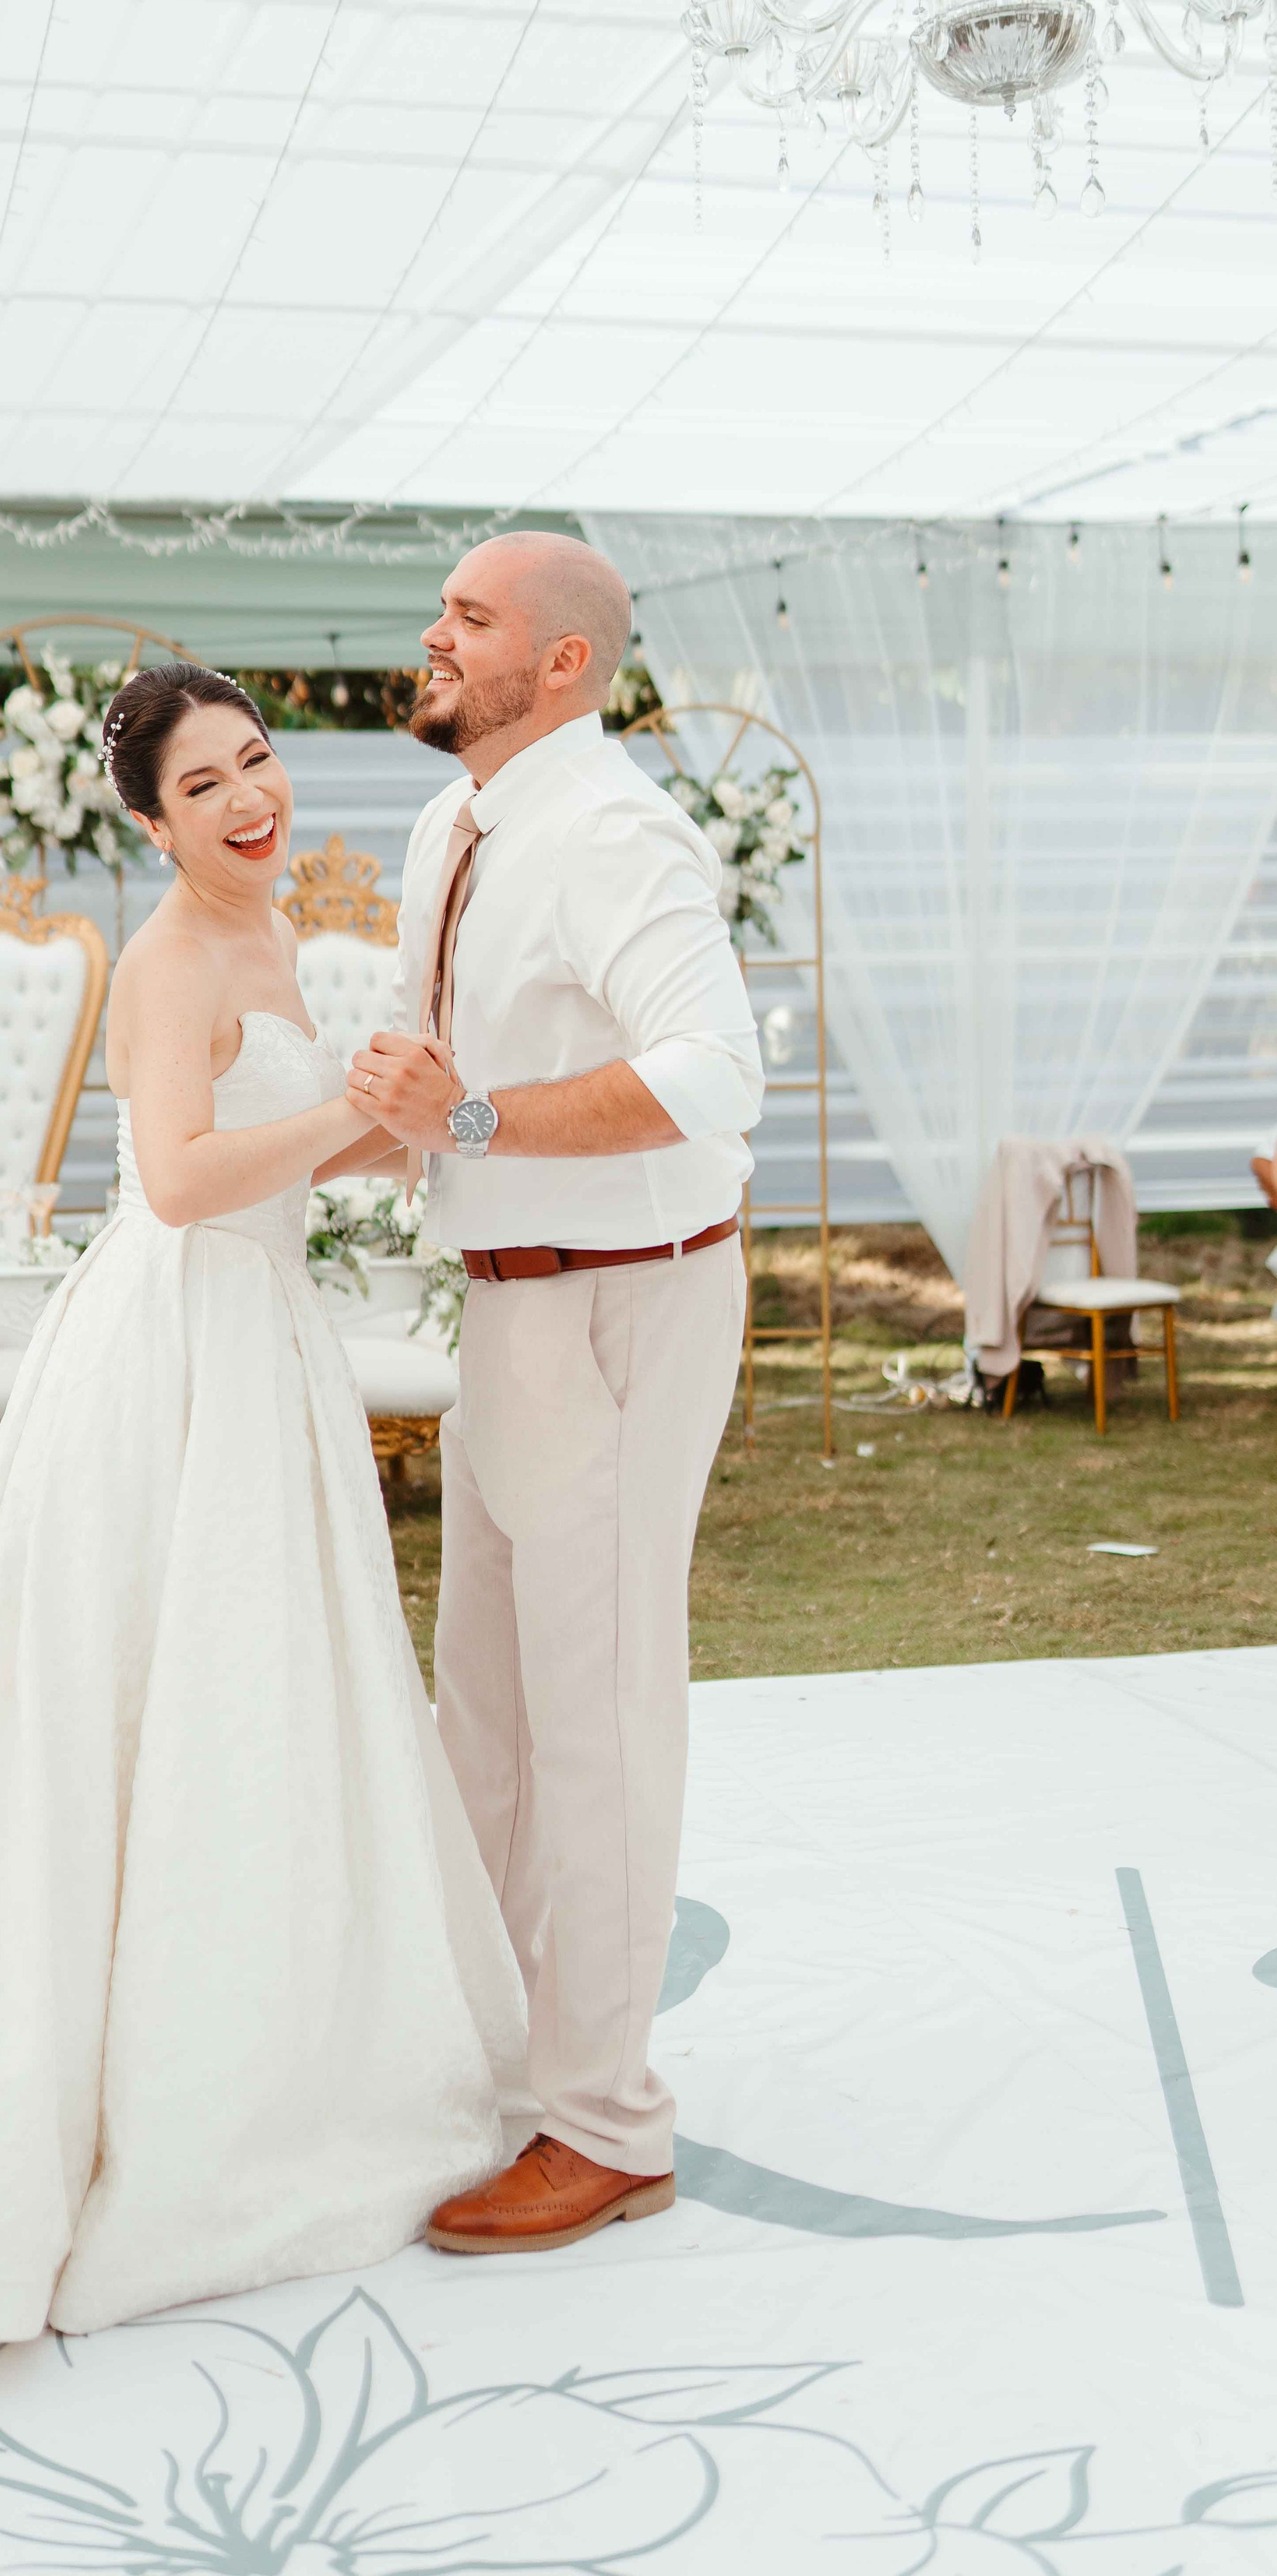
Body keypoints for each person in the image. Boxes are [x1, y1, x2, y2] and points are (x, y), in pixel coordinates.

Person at [0, 664, 527, 2341]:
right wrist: (347, 1111)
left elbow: (312, 1156)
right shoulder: (170, 960)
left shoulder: (277, 943)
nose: (253, 799)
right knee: (158, 1705)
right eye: (207, 788)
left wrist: (403, 1124)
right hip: (177, 1347)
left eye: (258, 763)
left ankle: (297, 2060)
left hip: (269, 1343)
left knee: (274, 1706)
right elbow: (177, 1177)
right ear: (149, 820)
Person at [348, 532, 762, 2254]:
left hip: (623, 1310)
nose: (433, 636)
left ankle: (606, 2128)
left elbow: (712, 1077)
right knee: (490, 1723)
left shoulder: (614, 832)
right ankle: (509, 2066)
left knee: (590, 1722)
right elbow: (408, 1063)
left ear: (563, 667)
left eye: (470, 617)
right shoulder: (453, 824)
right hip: (510, 1315)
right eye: (441, 609)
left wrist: (466, 1123)